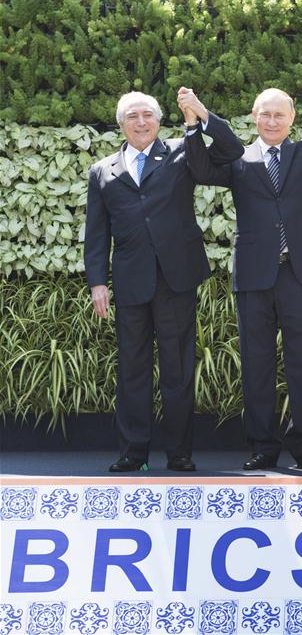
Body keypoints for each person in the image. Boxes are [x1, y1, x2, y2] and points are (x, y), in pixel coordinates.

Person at [179, 53, 302, 471]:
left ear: (293, 118)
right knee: (256, 362)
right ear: (254, 118)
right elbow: (200, 167)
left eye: (280, 114)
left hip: (299, 270)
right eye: (265, 114)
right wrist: (193, 122)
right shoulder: (237, 159)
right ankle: (262, 445)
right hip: (255, 273)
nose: (272, 121)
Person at [84, 91, 244, 472]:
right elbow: (96, 232)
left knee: (177, 368)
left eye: (148, 115)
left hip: (176, 278)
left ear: (158, 120)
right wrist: (97, 282)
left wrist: (202, 115)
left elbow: (232, 151)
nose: (141, 122)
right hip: (129, 281)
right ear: (121, 124)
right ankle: (132, 452)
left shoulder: (182, 151)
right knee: (132, 368)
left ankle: (179, 452)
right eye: (133, 117)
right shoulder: (102, 170)